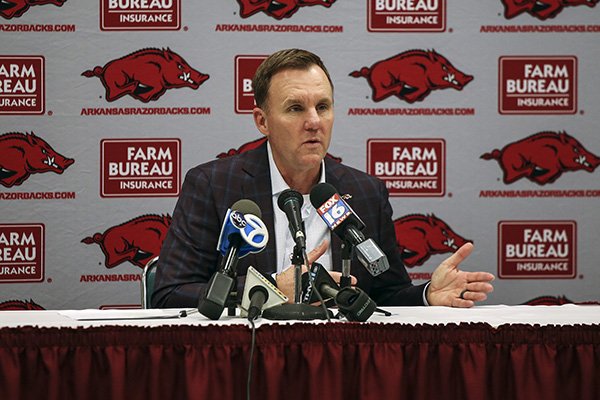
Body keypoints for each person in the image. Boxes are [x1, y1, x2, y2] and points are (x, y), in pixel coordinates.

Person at [152, 48, 494, 309]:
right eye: (295, 108)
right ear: (262, 121)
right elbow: (170, 293)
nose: (314, 121)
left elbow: (385, 293)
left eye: (323, 106)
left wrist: (426, 295)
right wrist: (267, 289)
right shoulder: (213, 186)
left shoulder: (364, 191)